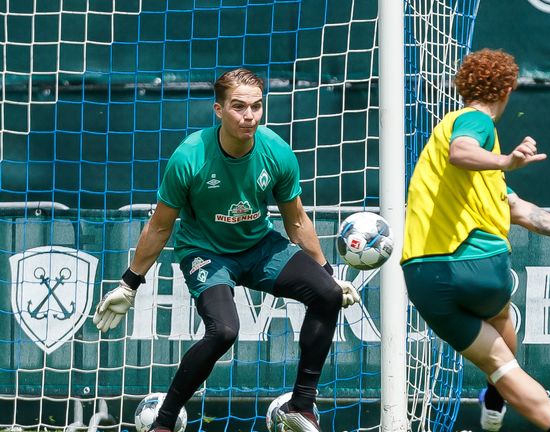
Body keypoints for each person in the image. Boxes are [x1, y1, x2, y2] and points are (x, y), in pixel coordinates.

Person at [92, 68, 360, 432]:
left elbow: (296, 221)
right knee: (224, 331)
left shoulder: (277, 152)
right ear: (218, 110)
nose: (249, 116)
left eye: (256, 107)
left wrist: (328, 274)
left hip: (259, 246)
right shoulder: (189, 156)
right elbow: (159, 226)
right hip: (206, 251)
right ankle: (164, 422)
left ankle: (300, 406)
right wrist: (129, 284)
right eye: (238, 107)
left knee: (327, 295)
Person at [401, 49, 550, 432]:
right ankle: (496, 394)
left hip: (425, 277)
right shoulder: (473, 122)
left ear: (463, 86)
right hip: (479, 264)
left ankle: (501, 396)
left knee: (502, 364)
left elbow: (520, 211)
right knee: (502, 326)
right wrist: (509, 160)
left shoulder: (463, 153)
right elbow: (463, 151)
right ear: (508, 88)